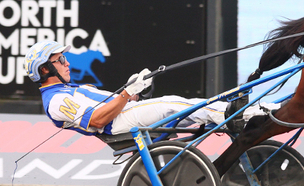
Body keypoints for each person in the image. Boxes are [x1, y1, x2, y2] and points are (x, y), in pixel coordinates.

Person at [23, 40, 271, 136]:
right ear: (45, 70)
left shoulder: (73, 88)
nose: (67, 63)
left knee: (189, 104)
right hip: (115, 125)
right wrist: (127, 93)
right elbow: (97, 120)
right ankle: (236, 115)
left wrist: (136, 92)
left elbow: (112, 104)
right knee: (172, 103)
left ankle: (263, 109)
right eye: (60, 60)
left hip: (124, 115)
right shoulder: (56, 101)